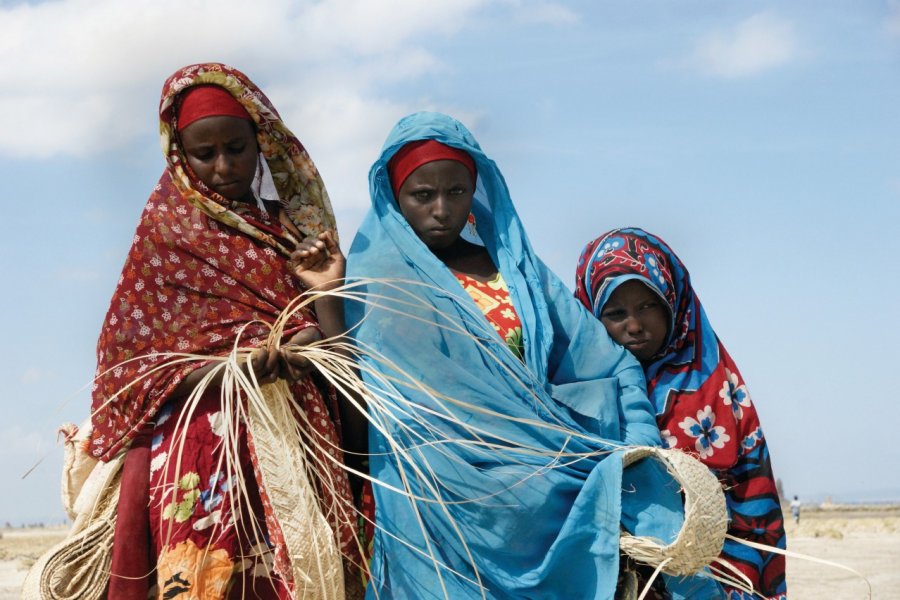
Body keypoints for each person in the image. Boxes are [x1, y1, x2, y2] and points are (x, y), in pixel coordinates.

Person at [344, 112, 722, 599]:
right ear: (395, 198)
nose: (441, 208)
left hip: (545, 484)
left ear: (477, 191)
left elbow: (610, 363)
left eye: (457, 192)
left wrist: (638, 447)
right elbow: (362, 392)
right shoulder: (375, 284)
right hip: (437, 501)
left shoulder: (518, 274)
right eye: (422, 195)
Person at [90, 63, 365, 599]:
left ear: (260, 144)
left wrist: (311, 327)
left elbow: (337, 350)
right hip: (202, 452)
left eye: (236, 148)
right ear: (179, 155)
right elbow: (129, 368)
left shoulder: (293, 235)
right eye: (204, 153)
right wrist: (225, 367)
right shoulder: (165, 238)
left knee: (307, 580)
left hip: (299, 443)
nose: (223, 166)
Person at [575, 227, 787, 600]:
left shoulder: (715, 383)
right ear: (591, 314)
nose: (635, 325)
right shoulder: (576, 389)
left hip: (720, 578)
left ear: (673, 300)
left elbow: (751, 498)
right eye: (616, 312)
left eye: (647, 306)